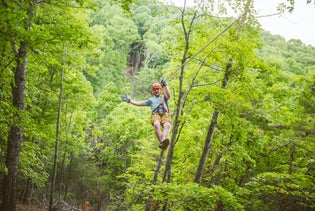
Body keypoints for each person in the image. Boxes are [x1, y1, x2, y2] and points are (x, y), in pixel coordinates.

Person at [121, 79, 171, 150]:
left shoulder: (163, 97)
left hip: (164, 114)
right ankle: (162, 142)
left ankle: (162, 142)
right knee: (156, 124)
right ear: (153, 91)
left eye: (157, 89)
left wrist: (166, 85)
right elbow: (139, 103)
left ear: (160, 90)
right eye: (154, 90)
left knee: (167, 125)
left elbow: (169, 94)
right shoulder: (151, 100)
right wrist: (129, 100)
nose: (156, 91)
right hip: (155, 114)